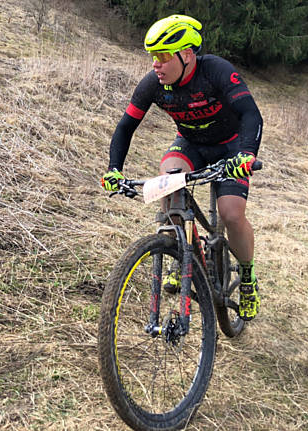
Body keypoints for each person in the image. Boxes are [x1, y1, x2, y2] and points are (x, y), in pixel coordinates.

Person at [100, 14, 263, 321]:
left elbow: (251, 115)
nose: (155, 65)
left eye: (162, 56)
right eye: (152, 57)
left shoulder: (215, 71)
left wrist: (246, 155)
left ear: (187, 55)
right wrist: (114, 169)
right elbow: (125, 127)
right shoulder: (153, 84)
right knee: (169, 183)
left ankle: (247, 277)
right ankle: (181, 250)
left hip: (230, 145)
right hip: (190, 144)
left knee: (231, 214)